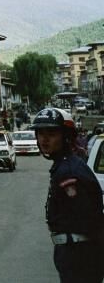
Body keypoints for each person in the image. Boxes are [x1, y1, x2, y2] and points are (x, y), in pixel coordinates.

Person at [34, 107, 104, 283]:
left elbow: (88, 218)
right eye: (40, 133)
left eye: (52, 133)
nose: (44, 139)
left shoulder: (68, 171)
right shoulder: (66, 165)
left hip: (80, 254)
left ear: (66, 136)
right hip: (76, 252)